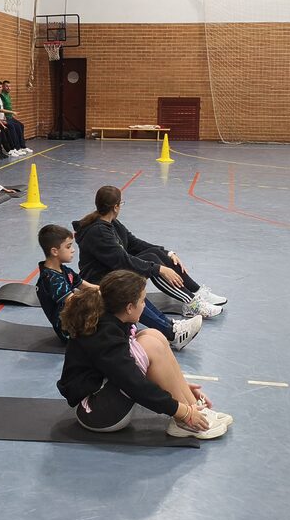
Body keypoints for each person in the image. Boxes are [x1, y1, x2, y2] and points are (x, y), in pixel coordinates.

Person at [57, 270, 231, 439]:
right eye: (142, 301)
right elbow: (134, 383)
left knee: (152, 335)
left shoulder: (113, 318)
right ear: (129, 308)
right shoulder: (105, 336)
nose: (145, 306)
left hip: (104, 397)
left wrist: (179, 387)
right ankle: (184, 422)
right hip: (96, 414)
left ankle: (194, 408)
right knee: (149, 346)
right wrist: (181, 411)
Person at [36, 223, 200, 351]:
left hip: (77, 319)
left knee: (126, 291)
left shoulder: (64, 270)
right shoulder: (50, 278)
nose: (73, 250)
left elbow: (87, 287)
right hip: (70, 331)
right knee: (122, 299)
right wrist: (109, 296)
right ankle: (171, 333)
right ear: (54, 251)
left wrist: (113, 288)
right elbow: (73, 301)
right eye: (68, 247)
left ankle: (169, 326)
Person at [73, 185, 226, 318]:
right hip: (99, 281)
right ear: (116, 207)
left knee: (155, 254)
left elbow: (134, 243)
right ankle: (191, 304)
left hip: (110, 271)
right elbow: (123, 262)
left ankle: (197, 292)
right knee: (153, 262)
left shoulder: (112, 223)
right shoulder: (99, 232)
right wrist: (159, 269)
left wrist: (168, 253)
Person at [0, 81, 27, 156]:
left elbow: (1, 109)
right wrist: (11, 113)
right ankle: (14, 148)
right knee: (11, 127)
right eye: (0, 87)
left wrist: (5, 117)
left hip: (3, 118)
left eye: (1, 87)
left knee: (19, 125)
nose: (1, 88)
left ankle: (19, 147)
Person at [0, 80, 31, 154]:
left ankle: (23, 146)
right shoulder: (1, 96)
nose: (9, 88)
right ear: (3, 87)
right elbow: (1, 108)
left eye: (10, 86)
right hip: (6, 117)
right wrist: (4, 117)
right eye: (7, 86)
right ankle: (17, 147)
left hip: (10, 116)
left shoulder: (8, 95)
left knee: (21, 125)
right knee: (15, 127)